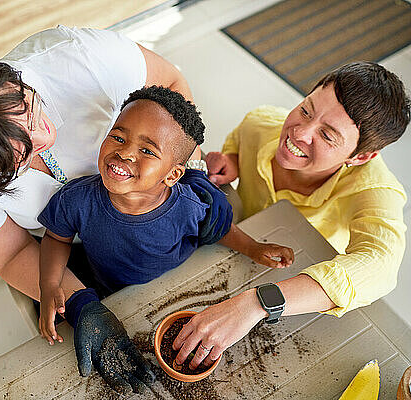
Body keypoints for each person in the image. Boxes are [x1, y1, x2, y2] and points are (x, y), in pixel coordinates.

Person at [0, 26, 230, 393]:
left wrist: (192, 172)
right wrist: (81, 304)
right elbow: (12, 253)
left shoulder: (82, 60)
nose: (45, 138)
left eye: (28, 109)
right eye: (21, 157)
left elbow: (172, 87)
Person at [171, 61, 409, 371]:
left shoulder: (377, 189)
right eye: (307, 110)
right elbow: (239, 140)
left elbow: (381, 266)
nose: (299, 132)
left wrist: (257, 303)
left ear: (360, 156)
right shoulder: (259, 123)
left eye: (327, 135)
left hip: (294, 287)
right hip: (236, 244)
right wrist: (231, 159)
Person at [36, 86, 294, 351]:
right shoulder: (76, 198)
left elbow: (218, 230)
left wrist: (253, 248)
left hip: (177, 286)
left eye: (147, 151)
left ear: (172, 176)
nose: (124, 153)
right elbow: (57, 237)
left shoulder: (188, 205)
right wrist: (49, 284)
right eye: (118, 137)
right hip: (105, 288)